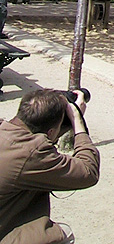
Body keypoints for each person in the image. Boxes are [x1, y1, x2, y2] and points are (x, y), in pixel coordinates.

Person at [0, 88, 100, 243]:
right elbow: (88, 171)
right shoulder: (32, 153)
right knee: (62, 234)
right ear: (52, 131)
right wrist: (77, 122)